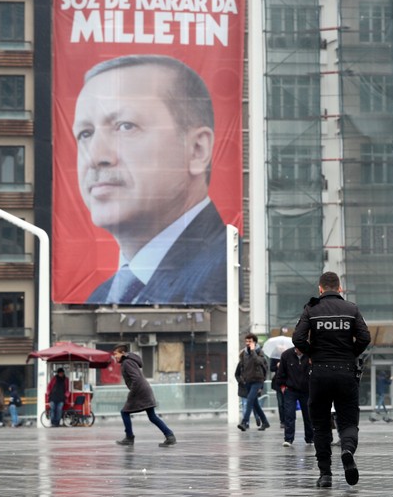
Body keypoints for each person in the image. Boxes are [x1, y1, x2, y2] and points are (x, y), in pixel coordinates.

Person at [74, 55, 227, 305]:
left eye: (125, 127)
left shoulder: (225, 274)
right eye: (85, 134)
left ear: (197, 149)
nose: (95, 156)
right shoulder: (101, 296)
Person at [293, 271, 371, 489]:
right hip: (346, 372)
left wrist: (313, 354)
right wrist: (350, 353)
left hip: (319, 373)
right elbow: (365, 337)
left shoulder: (312, 309)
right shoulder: (351, 309)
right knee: (348, 421)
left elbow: (297, 338)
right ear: (340, 288)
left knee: (320, 426)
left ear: (320, 289)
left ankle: (325, 474)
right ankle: (347, 449)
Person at [112, 344, 176, 447]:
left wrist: (131, 393)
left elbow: (136, 379)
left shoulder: (127, 362)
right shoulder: (130, 361)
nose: (114, 356)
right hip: (144, 390)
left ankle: (129, 438)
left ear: (123, 353)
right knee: (152, 416)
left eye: (116, 354)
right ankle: (170, 436)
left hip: (139, 391)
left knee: (124, 412)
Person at [274, 345, 314, 447]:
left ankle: (310, 438)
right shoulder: (286, 355)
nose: (299, 350)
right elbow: (281, 373)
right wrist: (282, 386)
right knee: (289, 414)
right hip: (290, 390)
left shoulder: (310, 354)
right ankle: (288, 439)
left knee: (308, 414)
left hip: (306, 390)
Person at [235, 334, 271, 432]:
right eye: (246, 341)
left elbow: (259, 363)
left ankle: (244, 422)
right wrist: (242, 381)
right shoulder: (244, 354)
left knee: (250, 400)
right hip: (248, 382)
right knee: (255, 404)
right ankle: (265, 422)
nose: (247, 343)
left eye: (250, 341)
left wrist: (253, 351)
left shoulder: (260, 353)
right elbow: (238, 371)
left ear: (254, 342)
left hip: (257, 381)